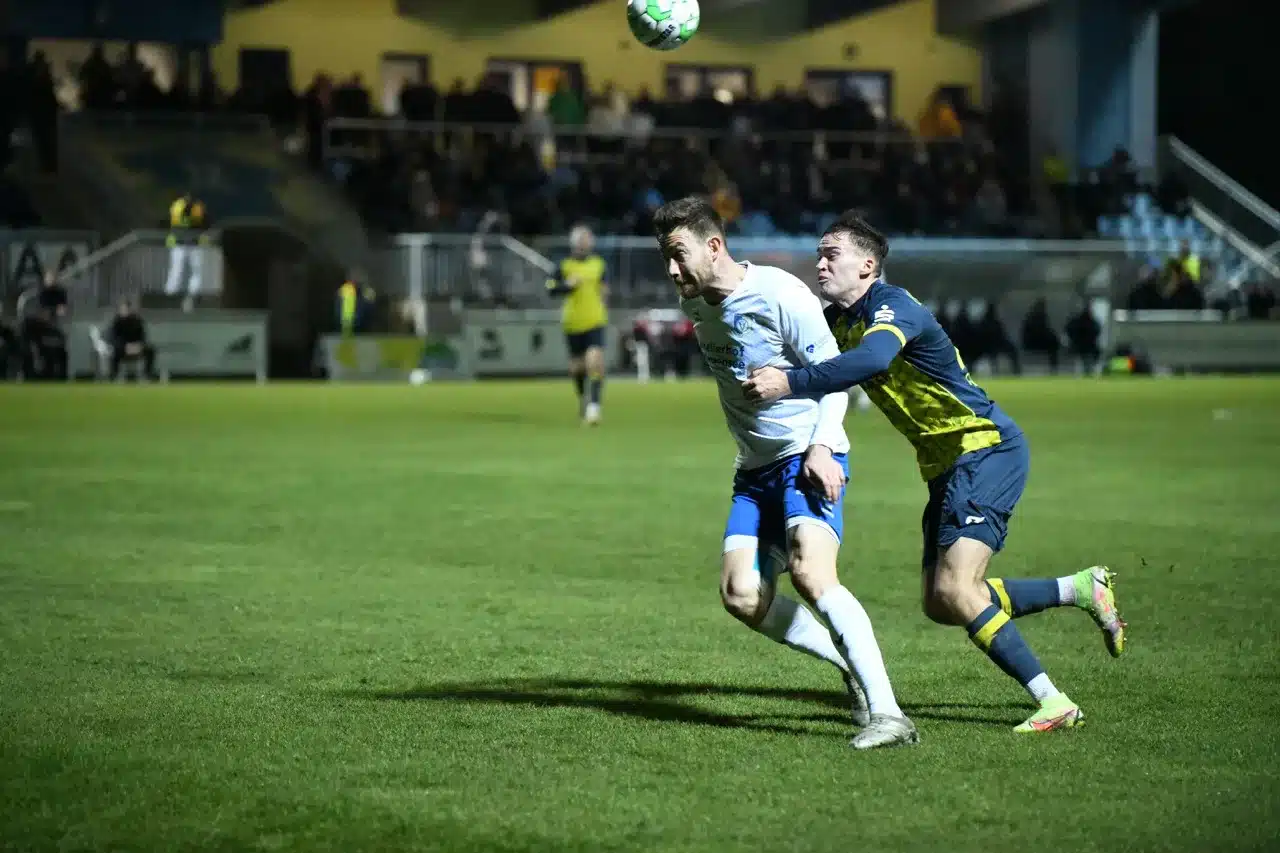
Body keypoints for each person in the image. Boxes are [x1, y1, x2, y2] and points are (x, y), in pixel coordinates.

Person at [742, 212, 1127, 734]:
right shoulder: (837, 322)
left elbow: (871, 362)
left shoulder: (893, 308)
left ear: (868, 265)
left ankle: (1054, 701)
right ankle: (1079, 588)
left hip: (983, 448)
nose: (821, 262)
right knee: (942, 601)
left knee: (959, 589)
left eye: (832, 253)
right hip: (945, 466)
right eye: (819, 252)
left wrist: (789, 382)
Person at [653, 196, 917, 750]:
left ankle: (890, 714)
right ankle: (846, 664)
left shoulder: (780, 294)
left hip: (807, 453)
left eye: (679, 254)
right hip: (753, 469)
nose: (672, 269)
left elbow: (836, 378)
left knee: (812, 574)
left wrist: (823, 445)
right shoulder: (698, 304)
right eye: (666, 256)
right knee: (741, 594)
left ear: (714, 246)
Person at [546, 225, 608, 425]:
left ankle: (594, 407)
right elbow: (550, 289)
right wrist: (567, 286)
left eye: (586, 241)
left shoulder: (599, 264)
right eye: (580, 241)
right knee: (577, 368)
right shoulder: (563, 266)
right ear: (574, 244)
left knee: (594, 360)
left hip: (595, 320)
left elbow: (604, 288)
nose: (583, 245)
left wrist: (604, 300)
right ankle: (583, 398)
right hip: (573, 322)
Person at [108, 300, 158, 381]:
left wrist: (138, 346)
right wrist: (125, 346)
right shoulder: (116, 322)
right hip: (122, 349)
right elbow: (114, 338)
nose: (124, 311)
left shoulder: (137, 321)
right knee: (114, 352)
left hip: (137, 347)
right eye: (122, 309)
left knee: (150, 350)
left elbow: (143, 337)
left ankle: (147, 375)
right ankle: (114, 376)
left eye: (126, 309)